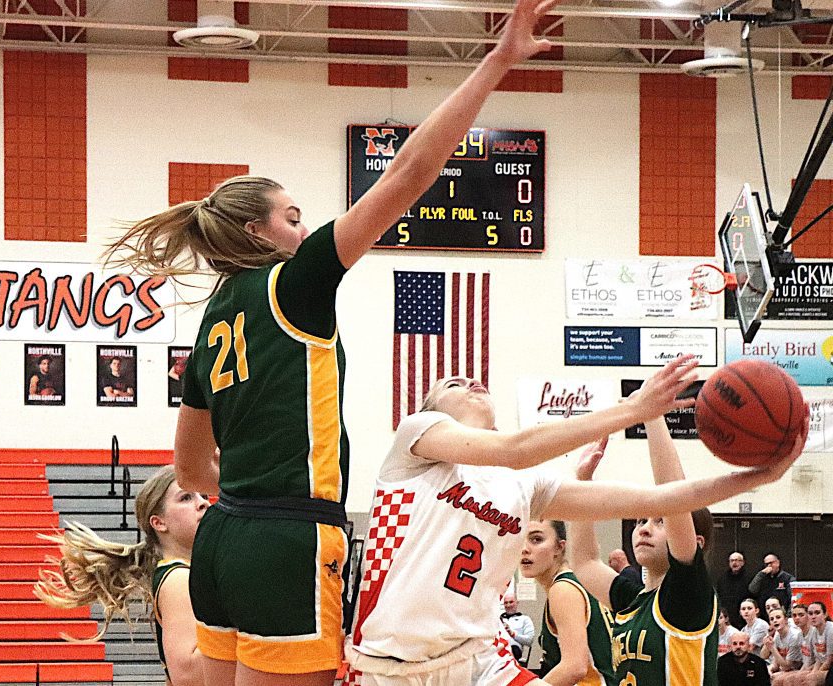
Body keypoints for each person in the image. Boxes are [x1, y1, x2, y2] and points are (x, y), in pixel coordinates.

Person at [134, 0, 624, 682]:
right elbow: (407, 176)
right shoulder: (293, 282)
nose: (303, 232)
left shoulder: (214, 317)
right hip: (289, 538)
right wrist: (497, 60)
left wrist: (247, 506)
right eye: (292, 217)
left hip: (221, 539)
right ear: (257, 234)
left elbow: (190, 473)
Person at [346, 368, 803, 686]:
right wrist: (632, 409)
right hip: (387, 662)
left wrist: (758, 478)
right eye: (452, 383)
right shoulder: (416, 440)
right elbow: (516, 448)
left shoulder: (525, 486)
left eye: (473, 380)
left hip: (477, 660)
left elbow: (656, 498)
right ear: (432, 408)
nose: (470, 382)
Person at [570, 410, 804, 686]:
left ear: (695, 541)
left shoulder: (688, 595)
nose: (644, 528)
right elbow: (584, 562)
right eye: (640, 520)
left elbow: (674, 495)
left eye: (660, 521)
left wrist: (652, 413)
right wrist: (581, 480)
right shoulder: (634, 600)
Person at [35, 466, 209, 686]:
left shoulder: (186, 573)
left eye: (203, 495)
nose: (203, 502)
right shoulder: (177, 579)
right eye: (185, 498)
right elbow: (187, 676)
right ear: (159, 522)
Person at [520, 519, 617, 685]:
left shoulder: (563, 589)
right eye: (520, 540)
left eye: (536, 539)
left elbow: (575, 667)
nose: (524, 549)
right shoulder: (578, 582)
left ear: (559, 547)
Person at [764, 607, 803, 675]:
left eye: (778, 617)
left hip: (798, 670)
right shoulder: (777, 634)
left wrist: (772, 648)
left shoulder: (794, 636)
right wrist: (770, 669)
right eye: (772, 619)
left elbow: (787, 666)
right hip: (785, 670)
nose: (775, 621)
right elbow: (766, 657)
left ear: (786, 620)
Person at [718, 552, 752, 630]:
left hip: (744, 618)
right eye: (732, 560)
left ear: (742, 562)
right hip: (728, 617)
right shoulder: (722, 579)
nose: (734, 563)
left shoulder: (749, 578)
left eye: (737, 560)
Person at [501, 593, 535, 663]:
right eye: (506, 603)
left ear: (517, 603)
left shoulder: (525, 619)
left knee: (511, 649)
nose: (508, 605)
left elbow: (529, 640)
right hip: (499, 648)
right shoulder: (498, 619)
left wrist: (513, 634)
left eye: (511, 602)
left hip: (514, 650)